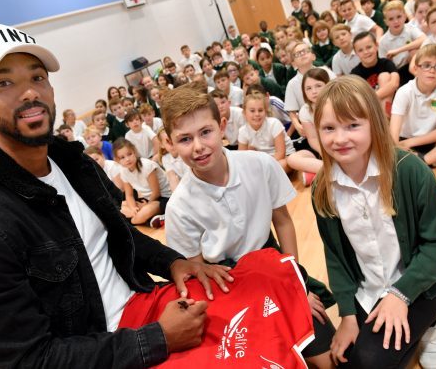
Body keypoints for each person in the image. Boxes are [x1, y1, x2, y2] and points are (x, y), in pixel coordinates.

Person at [0, 24, 234, 368]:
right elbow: (31, 361)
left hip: (146, 306)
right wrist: (156, 339)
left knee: (273, 298)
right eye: (4, 83)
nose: (29, 92)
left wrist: (173, 262)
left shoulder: (73, 162)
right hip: (113, 349)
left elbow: (118, 236)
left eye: (37, 77)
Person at [161, 84, 336, 369]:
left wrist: (295, 285)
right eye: (184, 139)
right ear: (169, 143)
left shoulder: (261, 164)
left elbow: (283, 223)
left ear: (222, 126)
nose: (198, 146)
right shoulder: (179, 207)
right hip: (228, 285)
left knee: (328, 360)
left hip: (275, 268)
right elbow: (197, 274)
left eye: (206, 132)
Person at [312, 75, 436, 368]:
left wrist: (400, 295)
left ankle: (432, 323)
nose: (340, 139)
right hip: (369, 292)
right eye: (329, 128)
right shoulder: (322, 188)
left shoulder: (410, 170)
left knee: (369, 361)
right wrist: (348, 315)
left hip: (418, 286)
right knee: (347, 360)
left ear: (374, 123)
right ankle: (414, 331)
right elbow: (335, 257)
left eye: (352, 125)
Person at [286, 68, 330, 186]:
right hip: (320, 148)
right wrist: (325, 154)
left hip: (337, 144)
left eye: (318, 86)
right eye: (308, 88)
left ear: (328, 85)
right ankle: (330, 170)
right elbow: (313, 139)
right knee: (292, 159)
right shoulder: (304, 111)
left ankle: (318, 173)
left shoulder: (337, 103)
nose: (314, 91)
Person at [115, 138, 171, 227]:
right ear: (117, 160)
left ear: (135, 152)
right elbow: (129, 195)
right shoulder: (123, 171)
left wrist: (145, 206)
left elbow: (156, 193)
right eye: (122, 157)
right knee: (118, 205)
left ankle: (153, 217)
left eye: (129, 154)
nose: (127, 159)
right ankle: (148, 218)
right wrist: (133, 208)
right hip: (147, 199)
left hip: (163, 198)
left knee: (136, 219)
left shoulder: (147, 166)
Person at [238, 93, 295, 171]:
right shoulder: (242, 131)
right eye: (252, 111)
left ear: (265, 111)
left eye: (260, 110)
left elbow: (280, 153)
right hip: (264, 160)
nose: (257, 114)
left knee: (282, 165)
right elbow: (242, 157)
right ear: (244, 113)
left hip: (285, 157)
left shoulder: (274, 123)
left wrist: (263, 167)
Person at [379, 0, 427, 86]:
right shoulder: (383, 41)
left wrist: (397, 51)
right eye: (391, 19)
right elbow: (383, 65)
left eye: (399, 17)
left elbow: (424, 39)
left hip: (414, 66)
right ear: (386, 22)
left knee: (414, 52)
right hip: (398, 71)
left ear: (405, 16)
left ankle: (423, 82)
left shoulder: (410, 28)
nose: (396, 21)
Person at [351, 31, 400, 113]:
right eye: (360, 50)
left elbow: (394, 83)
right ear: (356, 54)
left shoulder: (386, 63)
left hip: (391, 105)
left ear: (376, 46)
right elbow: (357, 98)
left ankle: (385, 117)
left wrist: (373, 96)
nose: (366, 52)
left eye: (369, 47)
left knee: (384, 76)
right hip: (370, 109)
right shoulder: (355, 74)